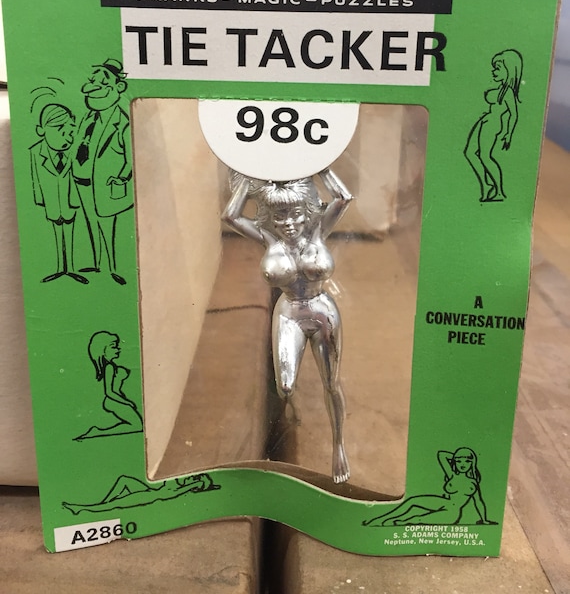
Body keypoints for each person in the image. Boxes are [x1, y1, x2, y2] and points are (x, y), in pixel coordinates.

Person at [222, 168, 352, 483]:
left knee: (331, 382)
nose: (288, 223)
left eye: (294, 214)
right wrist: (248, 179)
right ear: (270, 217)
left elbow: (343, 197)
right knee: (285, 386)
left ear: (307, 211)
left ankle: (338, 445)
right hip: (289, 312)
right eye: (279, 217)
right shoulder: (267, 236)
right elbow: (230, 217)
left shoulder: (319, 229)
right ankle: (292, 408)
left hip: (322, 310)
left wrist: (320, 166)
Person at [72, 58, 133, 284]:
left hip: (105, 184)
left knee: (108, 225)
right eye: (93, 83)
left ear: (119, 87)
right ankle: (97, 263)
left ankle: (113, 268)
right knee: (90, 222)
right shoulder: (88, 117)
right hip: (82, 180)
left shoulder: (122, 122)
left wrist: (121, 178)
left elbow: (130, 156)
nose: (94, 90)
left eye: (103, 84)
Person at [363, 447, 496, 526]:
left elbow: (479, 502)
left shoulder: (473, 482)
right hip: (444, 502)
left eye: (467, 461)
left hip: (451, 512)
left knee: (416, 520)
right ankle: (381, 519)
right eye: (459, 461)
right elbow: (442, 455)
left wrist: (484, 520)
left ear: (472, 463)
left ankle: (393, 522)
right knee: (412, 501)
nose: (462, 464)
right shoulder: (452, 474)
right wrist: (456, 457)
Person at [30, 103, 87, 284]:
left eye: (69, 129)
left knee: (70, 231)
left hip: (70, 201)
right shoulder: (35, 152)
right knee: (56, 232)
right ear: (41, 130)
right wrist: (40, 200)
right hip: (52, 201)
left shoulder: (75, 151)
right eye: (59, 128)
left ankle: (70, 268)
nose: (66, 135)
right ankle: (60, 268)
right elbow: (35, 178)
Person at [464, 49, 523, 202]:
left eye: (498, 68)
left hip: (493, 124)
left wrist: (508, 133)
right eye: (494, 67)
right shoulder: (500, 89)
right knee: (470, 152)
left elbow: (514, 114)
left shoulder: (508, 92)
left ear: (508, 70)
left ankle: (499, 191)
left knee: (485, 156)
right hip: (485, 120)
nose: (494, 71)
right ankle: (486, 184)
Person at [75, 330, 142, 440]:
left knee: (137, 425)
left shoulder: (111, 366)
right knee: (137, 426)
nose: (118, 349)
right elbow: (109, 392)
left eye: (117, 346)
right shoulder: (109, 367)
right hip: (113, 400)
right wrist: (127, 402)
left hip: (115, 400)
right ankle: (97, 432)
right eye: (113, 347)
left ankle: (97, 432)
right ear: (103, 350)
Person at [62, 472, 220, 515]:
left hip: (148, 496)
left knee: (116, 504)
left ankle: (80, 508)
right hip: (148, 490)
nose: (192, 477)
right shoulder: (178, 481)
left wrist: (198, 483)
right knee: (124, 480)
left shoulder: (178, 490)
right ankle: (102, 503)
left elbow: (195, 484)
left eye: (196, 479)